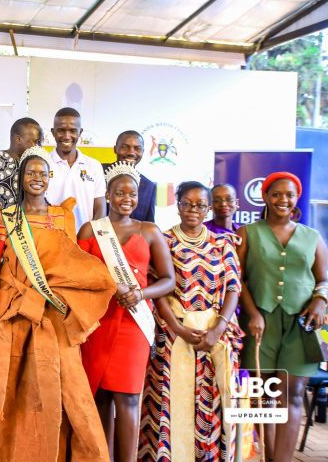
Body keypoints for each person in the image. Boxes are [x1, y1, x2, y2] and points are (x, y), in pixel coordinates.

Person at [0, 146, 115, 462]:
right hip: (14, 312)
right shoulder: (5, 215)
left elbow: (72, 265)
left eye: (42, 173)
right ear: (21, 177)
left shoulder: (64, 215)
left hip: (53, 314)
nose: (37, 178)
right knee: (16, 389)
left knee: (70, 389)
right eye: (31, 172)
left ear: (49, 177)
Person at [77, 161, 175, 461]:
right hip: (98, 323)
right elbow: (78, 277)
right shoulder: (90, 230)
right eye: (120, 193)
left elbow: (168, 280)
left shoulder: (149, 231)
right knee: (100, 397)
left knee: (129, 398)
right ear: (108, 195)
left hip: (134, 324)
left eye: (132, 194)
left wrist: (140, 293)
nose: (126, 199)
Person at [139, 181, 243, 462]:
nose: (193, 210)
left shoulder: (223, 243)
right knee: (167, 402)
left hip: (213, 334)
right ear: (178, 205)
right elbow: (158, 288)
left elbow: (233, 288)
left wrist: (218, 329)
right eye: (187, 203)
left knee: (211, 403)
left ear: (208, 209)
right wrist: (177, 328)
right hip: (173, 334)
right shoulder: (163, 240)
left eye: (200, 205)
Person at [236, 172, 327, 462]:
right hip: (260, 324)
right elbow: (237, 279)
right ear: (265, 197)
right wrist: (252, 313)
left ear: (297, 198)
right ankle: (268, 457)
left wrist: (321, 300)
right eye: (276, 194)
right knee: (263, 396)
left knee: (294, 393)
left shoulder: (312, 237)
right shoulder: (248, 233)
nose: (283, 200)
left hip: (301, 325)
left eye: (289, 194)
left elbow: (324, 279)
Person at [46, 107, 106, 232]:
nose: (67, 136)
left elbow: (100, 208)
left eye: (73, 130)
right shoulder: (43, 164)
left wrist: (90, 236)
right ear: (53, 132)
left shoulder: (94, 166)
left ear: (80, 132)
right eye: (61, 130)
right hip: (50, 237)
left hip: (85, 238)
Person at [0, 117, 42, 210]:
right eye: (36, 142)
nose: (38, 147)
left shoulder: (40, 165)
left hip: (34, 219)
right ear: (18, 139)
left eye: (40, 143)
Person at [102, 130, 157, 222]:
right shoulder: (98, 173)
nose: (131, 152)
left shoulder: (149, 186)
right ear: (115, 149)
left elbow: (149, 223)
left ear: (143, 151)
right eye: (125, 147)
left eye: (137, 148)